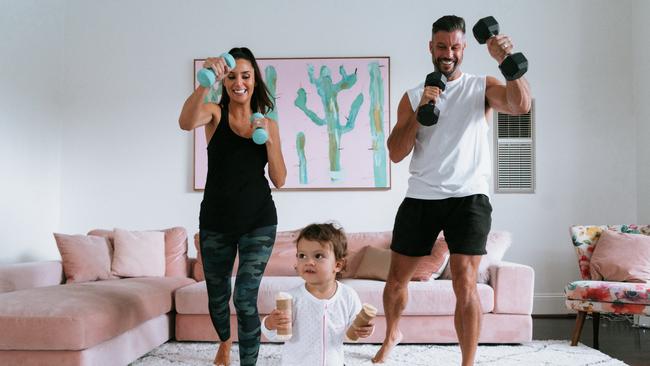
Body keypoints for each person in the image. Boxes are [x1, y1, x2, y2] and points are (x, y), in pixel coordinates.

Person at [371, 15, 531, 366]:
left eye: (455, 47)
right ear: (431, 48)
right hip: (422, 196)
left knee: (465, 281)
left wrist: (506, 63)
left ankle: (468, 361)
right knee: (397, 279)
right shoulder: (412, 96)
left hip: (469, 197)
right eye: (441, 46)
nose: (448, 53)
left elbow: (521, 106)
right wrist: (420, 109)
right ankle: (392, 334)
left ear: (463, 49)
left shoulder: (481, 86)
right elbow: (396, 153)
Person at [178, 47, 287, 366]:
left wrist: (267, 140)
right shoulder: (214, 113)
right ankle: (225, 341)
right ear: (225, 81)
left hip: (259, 221)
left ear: (255, 80)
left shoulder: (268, 123)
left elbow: (279, 179)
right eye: (233, 76)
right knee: (217, 297)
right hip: (216, 221)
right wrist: (204, 83)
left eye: (246, 75)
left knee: (244, 297)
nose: (239, 82)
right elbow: (185, 123)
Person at [261, 222, 375, 366]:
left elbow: (356, 327)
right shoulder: (290, 298)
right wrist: (270, 323)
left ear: (338, 265)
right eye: (302, 255)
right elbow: (274, 335)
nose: (309, 262)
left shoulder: (348, 295)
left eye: (318, 256)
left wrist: (365, 329)